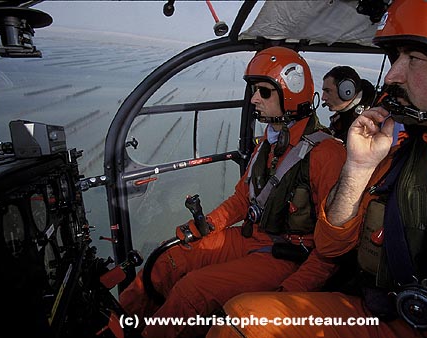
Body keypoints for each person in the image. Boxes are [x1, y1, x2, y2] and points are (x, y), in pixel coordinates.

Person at [207, 0, 427, 337]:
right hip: (385, 317)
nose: (392, 75)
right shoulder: (394, 151)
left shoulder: (323, 149)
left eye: (415, 59)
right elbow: (332, 248)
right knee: (240, 323)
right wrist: (358, 168)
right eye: (396, 59)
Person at [118, 46, 347, 338]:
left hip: (289, 255)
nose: (254, 99)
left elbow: (331, 249)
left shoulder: (327, 154)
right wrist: (204, 226)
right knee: (168, 258)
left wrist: (291, 292)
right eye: (254, 90)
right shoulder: (269, 141)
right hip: (253, 237)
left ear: (291, 94)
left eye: (263, 92)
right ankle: (122, 323)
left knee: (193, 289)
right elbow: (242, 199)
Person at [321, 65, 376, 142]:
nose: (323, 98)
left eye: (328, 91)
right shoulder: (342, 116)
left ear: (347, 91)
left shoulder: (373, 119)